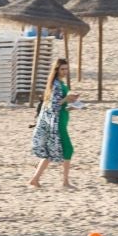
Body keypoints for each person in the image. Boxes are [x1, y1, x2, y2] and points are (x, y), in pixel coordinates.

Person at [29, 58, 77, 189]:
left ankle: (35, 179)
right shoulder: (56, 84)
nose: (65, 71)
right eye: (62, 69)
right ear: (57, 70)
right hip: (58, 123)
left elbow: (61, 105)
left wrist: (72, 105)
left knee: (50, 152)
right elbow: (54, 105)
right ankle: (65, 182)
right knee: (68, 149)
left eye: (66, 69)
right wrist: (66, 99)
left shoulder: (60, 83)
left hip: (62, 119)